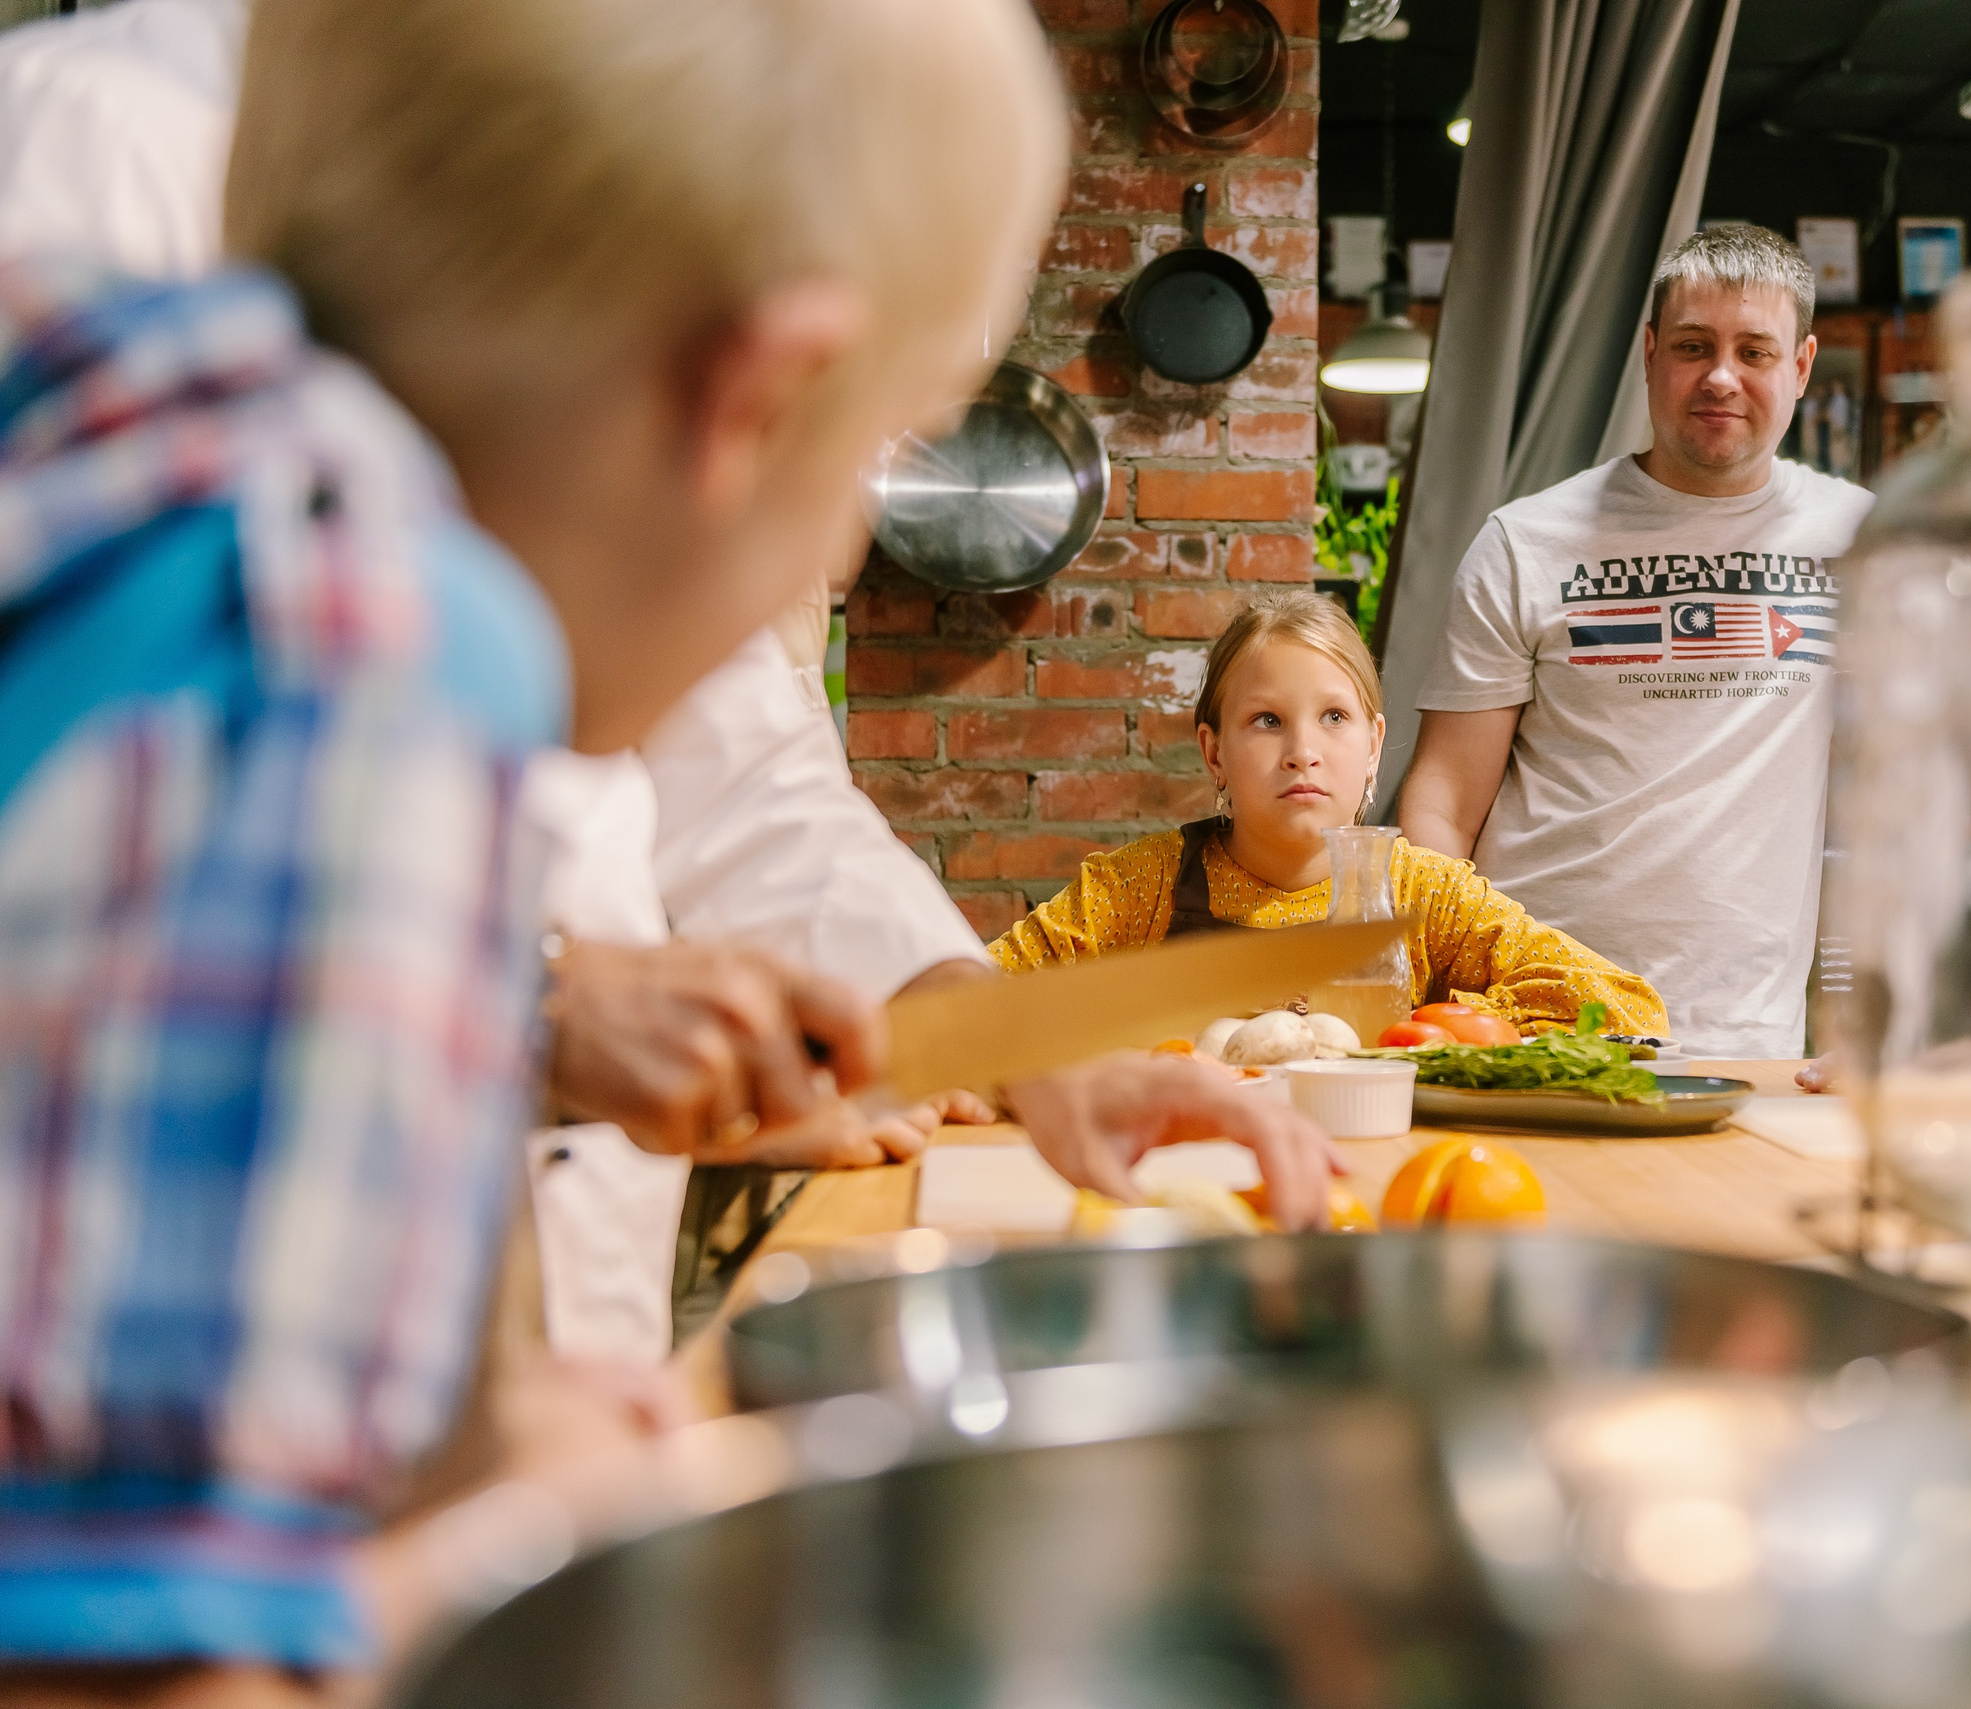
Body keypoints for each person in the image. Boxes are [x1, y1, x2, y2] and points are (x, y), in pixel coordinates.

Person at [0, 0, 1343, 1368]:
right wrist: (533, 997)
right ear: (748, 396)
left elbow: (736, 758)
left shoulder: (559, 252)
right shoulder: (87, 152)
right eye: (862, 457)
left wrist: (987, 1031)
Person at [0, 0, 1068, 1691]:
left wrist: (486, 1428)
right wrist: (531, 1551)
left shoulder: (205, 461)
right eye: (886, 442)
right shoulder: (343, 638)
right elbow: (126, 1667)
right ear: (760, 389)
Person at [1398, 224, 1872, 1057]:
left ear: (1800, 367)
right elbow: (1442, 803)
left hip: (1744, 1038)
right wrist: (1456, 995)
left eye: (1754, 352)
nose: (1721, 376)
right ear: (1650, 353)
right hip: (1534, 1016)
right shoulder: (1526, 542)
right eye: (1694, 345)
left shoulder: (1865, 543)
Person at [994, 592, 1667, 1037]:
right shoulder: (1137, 887)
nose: (1302, 753)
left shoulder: (1424, 893)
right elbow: (972, 1006)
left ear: (1373, 744)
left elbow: (1624, 1002)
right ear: (1214, 750)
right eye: (1266, 720)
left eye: (1333, 718)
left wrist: (1433, 1030)